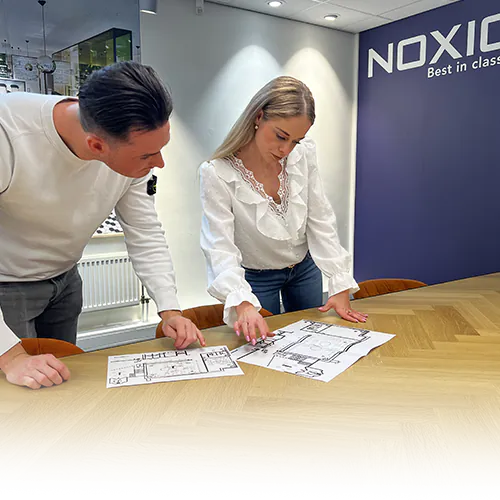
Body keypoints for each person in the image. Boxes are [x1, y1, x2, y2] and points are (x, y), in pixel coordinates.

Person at [0, 61, 205, 390]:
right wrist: (10, 357)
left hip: (65, 280)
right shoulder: (8, 133)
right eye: (147, 156)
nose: (160, 163)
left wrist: (170, 309)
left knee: (58, 381)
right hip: (7, 284)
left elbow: (145, 232)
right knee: (18, 392)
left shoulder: (130, 153)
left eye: (161, 149)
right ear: (97, 145)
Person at [200, 76, 367, 345]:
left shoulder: (302, 155)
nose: (285, 149)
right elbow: (219, 246)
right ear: (258, 116)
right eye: (281, 136)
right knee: (264, 349)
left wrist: (339, 282)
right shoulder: (217, 173)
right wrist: (242, 302)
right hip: (257, 277)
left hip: (305, 269)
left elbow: (320, 217)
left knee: (312, 341)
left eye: (296, 141)